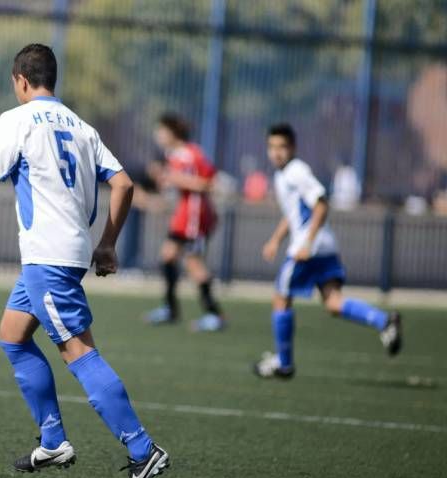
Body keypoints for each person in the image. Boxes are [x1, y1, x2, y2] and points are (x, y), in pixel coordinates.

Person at [0, 44, 168, 478]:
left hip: (47, 257)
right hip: (62, 254)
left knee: (77, 351)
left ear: (20, 81)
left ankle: (143, 449)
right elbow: (124, 183)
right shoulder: (82, 126)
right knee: (12, 335)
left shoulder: (16, 119)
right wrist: (107, 243)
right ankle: (52, 441)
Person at [254, 123, 402, 379]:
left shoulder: (296, 171)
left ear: (293, 148)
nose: (276, 152)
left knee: (280, 297)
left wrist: (307, 243)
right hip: (325, 245)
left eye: (282, 146)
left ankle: (284, 363)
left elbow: (321, 204)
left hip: (309, 247)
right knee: (333, 302)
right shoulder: (282, 175)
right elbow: (292, 214)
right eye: (272, 147)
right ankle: (383, 321)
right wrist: (275, 240)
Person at [144, 114, 225, 331]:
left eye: (161, 130)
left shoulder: (191, 153)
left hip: (195, 217)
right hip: (184, 216)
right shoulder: (173, 155)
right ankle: (170, 309)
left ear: (172, 133)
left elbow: (209, 182)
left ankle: (214, 314)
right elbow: (172, 184)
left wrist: (174, 178)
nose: (158, 135)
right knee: (168, 257)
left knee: (193, 263)